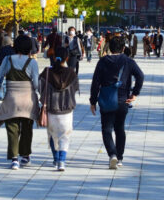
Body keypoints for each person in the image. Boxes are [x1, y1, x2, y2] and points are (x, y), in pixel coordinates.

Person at [90, 36, 145, 169]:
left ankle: (112, 154)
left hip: (107, 99)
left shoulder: (103, 61)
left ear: (109, 47)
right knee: (120, 128)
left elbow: (96, 82)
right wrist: (135, 93)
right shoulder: (128, 61)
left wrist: (93, 100)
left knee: (106, 129)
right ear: (123, 48)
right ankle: (119, 157)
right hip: (122, 99)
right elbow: (140, 76)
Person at [0, 35, 40, 169]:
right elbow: (36, 84)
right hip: (28, 99)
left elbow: (0, 77)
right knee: (27, 128)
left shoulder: (8, 60)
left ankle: (14, 158)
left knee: (12, 128)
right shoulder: (32, 63)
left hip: (11, 98)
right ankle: (25, 155)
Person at [39, 54, 78, 171]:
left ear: (55, 58)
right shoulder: (71, 73)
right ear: (67, 58)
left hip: (51, 108)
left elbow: (39, 87)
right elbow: (75, 88)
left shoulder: (47, 72)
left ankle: (55, 158)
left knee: (52, 135)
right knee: (65, 136)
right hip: (66, 109)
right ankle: (62, 161)